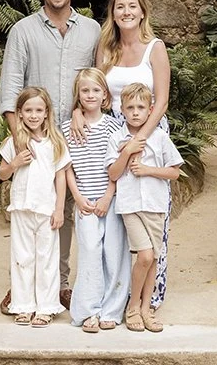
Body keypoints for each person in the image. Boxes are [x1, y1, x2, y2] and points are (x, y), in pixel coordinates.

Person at [0, 0, 101, 311]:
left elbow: (96, 83)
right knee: (29, 211)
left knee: (66, 211)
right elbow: (10, 88)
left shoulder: (91, 31)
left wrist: (81, 112)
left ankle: (61, 284)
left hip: (78, 137)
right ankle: (23, 287)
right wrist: (20, 141)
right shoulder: (23, 30)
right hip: (35, 139)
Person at [73, 0, 173, 309]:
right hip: (112, 129)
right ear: (113, 14)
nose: (126, 12)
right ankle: (114, 293)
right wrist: (77, 110)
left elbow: (162, 100)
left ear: (142, 11)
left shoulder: (154, 48)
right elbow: (94, 87)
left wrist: (140, 137)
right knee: (117, 211)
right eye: (120, 7)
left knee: (151, 209)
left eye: (132, 6)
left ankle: (149, 298)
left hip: (148, 130)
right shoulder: (107, 47)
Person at [106, 83, 182, 333]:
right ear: (122, 110)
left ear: (150, 110)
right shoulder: (117, 139)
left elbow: (174, 172)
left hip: (155, 204)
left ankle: (146, 309)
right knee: (145, 256)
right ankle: (133, 307)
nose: (136, 112)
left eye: (141, 107)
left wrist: (148, 170)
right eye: (130, 107)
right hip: (130, 205)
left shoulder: (160, 138)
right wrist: (127, 152)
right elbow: (114, 174)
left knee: (153, 260)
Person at [62, 68, 129, 333]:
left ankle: (111, 310)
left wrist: (108, 196)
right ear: (78, 95)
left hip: (110, 200)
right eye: (85, 90)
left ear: (105, 95)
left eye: (96, 90)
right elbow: (66, 166)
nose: (90, 95)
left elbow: (117, 165)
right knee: (89, 252)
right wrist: (77, 197)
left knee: (113, 253)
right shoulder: (67, 128)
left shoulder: (114, 126)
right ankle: (87, 311)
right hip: (84, 201)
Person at [0, 86, 70, 327]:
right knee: (22, 257)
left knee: (47, 258)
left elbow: (61, 177)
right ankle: (24, 305)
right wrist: (15, 163)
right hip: (21, 207)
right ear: (19, 113)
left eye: (39, 110)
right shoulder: (15, 142)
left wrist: (59, 209)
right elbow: (2, 174)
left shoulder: (55, 142)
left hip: (47, 209)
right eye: (28, 110)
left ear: (47, 112)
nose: (33, 115)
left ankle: (46, 307)